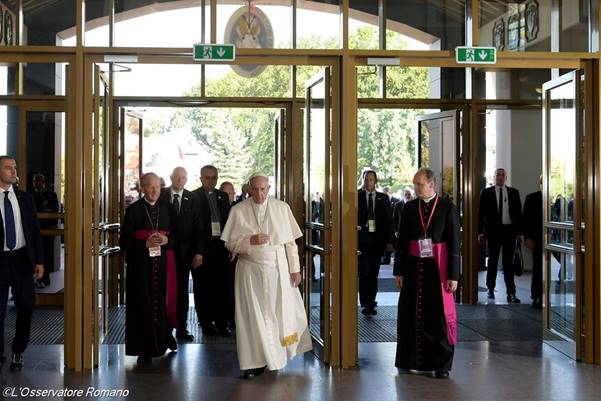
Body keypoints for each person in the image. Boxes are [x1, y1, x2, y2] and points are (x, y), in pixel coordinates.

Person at [221, 173, 312, 379]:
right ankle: (255, 362)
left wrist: (295, 269)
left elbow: (290, 243)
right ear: (249, 189)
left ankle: (277, 356)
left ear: (269, 188)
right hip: (249, 272)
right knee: (252, 317)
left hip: (277, 270)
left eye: (263, 189)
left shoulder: (282, 208)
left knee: (276, 314)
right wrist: (250, 240)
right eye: (255, 190)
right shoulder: (238, 210)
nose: (259, 194)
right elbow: (229, 244)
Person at [394, 168, 460, 379]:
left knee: (437, 316)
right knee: (410, 313)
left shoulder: (447, 208)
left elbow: (454, 243)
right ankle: (409, 359)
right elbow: (402, 241)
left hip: (437, 270)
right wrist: (399, 271)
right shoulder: (409, 208)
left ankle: (441, 365)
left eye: (419, 184)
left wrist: (453, 275)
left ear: (431, 184)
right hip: (413, 268)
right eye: (415, 184)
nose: (416, 188)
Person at [120, 172, 178, 363]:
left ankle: (164, 340)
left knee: (164, 304)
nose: (155, 191)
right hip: (140, 267)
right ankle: (144, 349)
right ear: (143, 188)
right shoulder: (133, 210)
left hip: (164, 265)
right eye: (151, 187)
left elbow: (179, 237)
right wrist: (143, 244)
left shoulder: (168, 208)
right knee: (143, 306)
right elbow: (124, 242)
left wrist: (167, 240)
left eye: (158, 187)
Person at [0, 156, 44, 371]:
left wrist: (40, 261)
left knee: (26, 306)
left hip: (22, 260)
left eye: (15, 168)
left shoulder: (25, 198)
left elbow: (35, 231)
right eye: (8, 168)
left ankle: (18, 350)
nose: (13, 171)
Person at [159, 167, 204, 341]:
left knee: (182, 292)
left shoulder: (193, 198)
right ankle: (163, 329)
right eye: (177, 177)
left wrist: (199, 252)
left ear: (186, 179)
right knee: (163, 291)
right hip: (163, 253)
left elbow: (199, 227)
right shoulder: (161, 194)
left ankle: (181, 328)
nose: (180, 180)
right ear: (171, 177)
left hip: (185, 255)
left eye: (183, 177)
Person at [192, 165, 232, 336]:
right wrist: (197, 251)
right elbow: (192, 226)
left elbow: (229, 222)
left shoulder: (222, 196)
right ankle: (206, 322)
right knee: (203, 287)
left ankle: (222, 322)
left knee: (222, 286)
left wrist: (231, 246)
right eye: (207, 177)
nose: (210, 181)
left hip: (220, 247)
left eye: (213, 177)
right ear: (201, 178)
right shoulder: (193, 196)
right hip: (202, 249)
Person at [478, 168, 523, 303]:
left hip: (509, 231)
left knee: (508, 262)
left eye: (503, 175)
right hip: (493, 231)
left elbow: (519, 214)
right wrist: (480, 232)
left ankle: (511, 292)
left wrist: (520, 233)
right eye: (498, 175)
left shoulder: (513, 192)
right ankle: (490, 289)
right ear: (494, 177)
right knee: (493, 260)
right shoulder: (486, 192)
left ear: (506, 178)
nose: (500, 177)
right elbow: (480, 214)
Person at [357, 169, 393, 316]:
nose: (368, 182)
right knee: (364, 272)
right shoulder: (357, 196)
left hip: (377, 241)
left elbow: (389, 220)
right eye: (366, 180)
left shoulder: (383, 198)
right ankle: (365, 303)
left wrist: (390, 241)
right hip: (362, 241)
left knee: (373, 273)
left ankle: (371, 302)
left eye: (371, 180)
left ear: (375, 181)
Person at [30, 173, 59, 288]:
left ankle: (44, 279)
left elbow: (53, 211)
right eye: (34, 181)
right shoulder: (30, 195)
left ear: (43, 182)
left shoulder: (51, 195)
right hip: (34, 231)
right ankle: (35, 279)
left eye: (38, 181)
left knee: (45, 255)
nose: (36, 183)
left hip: (47, 230)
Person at [523, 176, 543, 309]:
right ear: (540, 183)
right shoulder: (531, 198)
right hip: (536, 239)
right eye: (542, 181)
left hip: (555, 240)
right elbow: (526, 220)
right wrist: (527, 238)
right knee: (538, 268)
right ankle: (536, 296)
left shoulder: (558, 199)